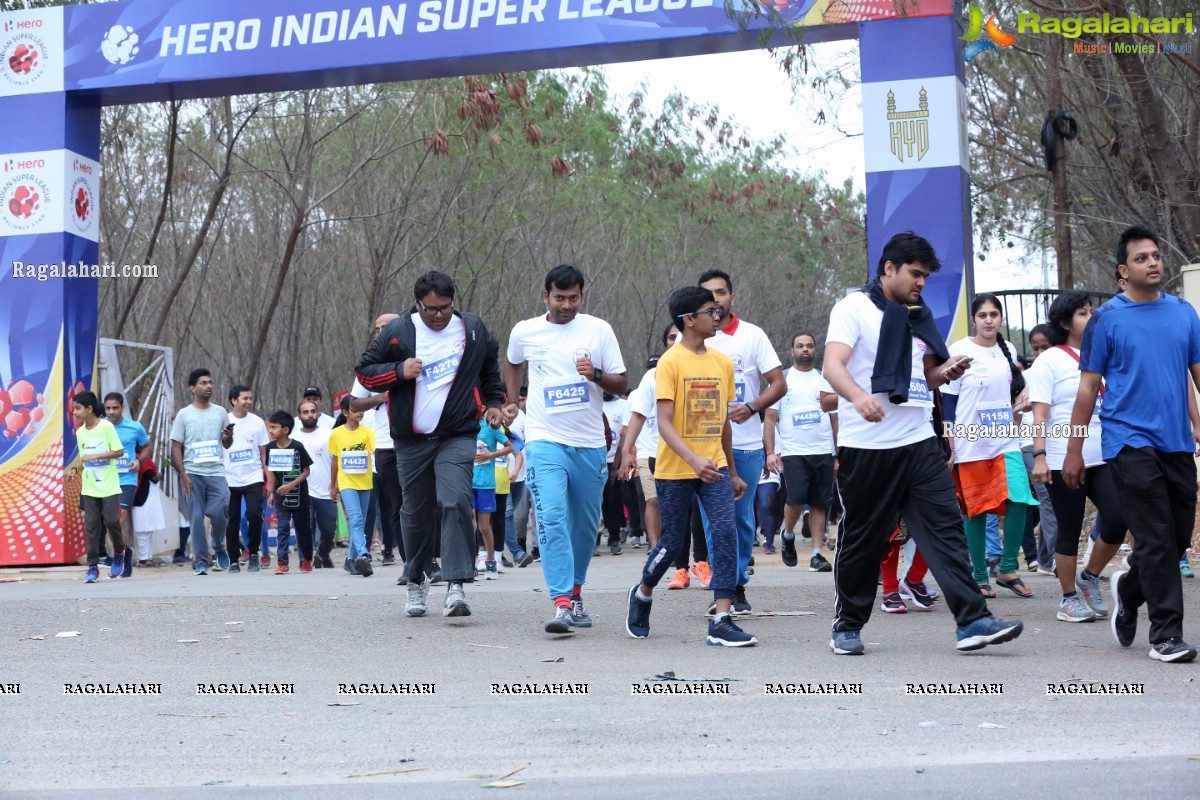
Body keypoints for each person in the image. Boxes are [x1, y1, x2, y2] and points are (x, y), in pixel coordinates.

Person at [822, 231, 1023, 655]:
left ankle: (973, 621)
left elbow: (923, 377)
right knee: (864, 539)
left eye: (926, 277)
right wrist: (858, 398)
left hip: (919, 441)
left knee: (945, 530)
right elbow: (833, 366)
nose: (921, 283)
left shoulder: (918, 314)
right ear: (889, 268)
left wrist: (946, 372)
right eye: (915, 274)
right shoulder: (853, 308)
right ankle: (848, 623)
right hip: (869, 449)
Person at [1065, 224, 1200, 663]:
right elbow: (1088, 389)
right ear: (1124, 270)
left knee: (1176, 536)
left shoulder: (1184, 313)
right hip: (1127, 441)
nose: (1154, 262)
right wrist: (1073, 449)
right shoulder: (1107, 320)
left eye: (1157, 255)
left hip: (1176, 441)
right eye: (1142, 258)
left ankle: (1129, 585)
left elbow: (1196, 374)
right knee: (1157, 535)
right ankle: (1166, 636)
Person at [356, 270, 506, 618]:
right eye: (431, 309)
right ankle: (416, 578)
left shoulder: (471, 328)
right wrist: (398, 371)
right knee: (415, 512)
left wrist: (495, 403)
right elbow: (365, 371)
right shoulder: (398, 332)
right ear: (418, 304)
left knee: (454, 501)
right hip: (411, 440)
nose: (438, 315)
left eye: (445, 308)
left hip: (457, 434)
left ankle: (455, 586)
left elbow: (490, 368)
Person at [625, 286, 756, 646]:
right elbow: (664, 422)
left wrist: (730, 470)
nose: (717, 317)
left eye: (718, 310)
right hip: (674, 469)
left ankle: (723, 617)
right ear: (689, 320)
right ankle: (643, 593)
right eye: (710, 312)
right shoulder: (670, 362)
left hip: (712, 468)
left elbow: (724, 422)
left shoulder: (721, 362)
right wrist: (693, 459)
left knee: (725, 535)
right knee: (670, 545)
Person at [503, 264, 627, 634]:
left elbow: (622, 384)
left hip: (589, 443)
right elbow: (512, 361)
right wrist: (513, 400)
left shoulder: (598, 330)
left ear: (582, 297)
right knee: (552, 516)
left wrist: (597, 376)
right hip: (543, 439)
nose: (567, 305)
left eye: (574, 298)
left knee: (585, 526)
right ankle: (561, 603)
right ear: (546, 296)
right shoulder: (526, 331)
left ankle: (576, 591)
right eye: (560, 298)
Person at [1026, 291, 1128, 622]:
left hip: (1104, 453)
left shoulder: (1103, 354)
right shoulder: (1049, 360)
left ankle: (1089, 576)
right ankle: (1068, 599)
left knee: (1119, 516)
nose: (1092, 316)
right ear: (1065, 323)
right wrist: (1040, 456)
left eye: (1092, 310)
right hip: (1061, 456)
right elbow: (1040, 414)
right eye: (1084, 313)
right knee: (1068, 528)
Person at [697, 269, 787, 614]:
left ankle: (737, 584)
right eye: (708, 294)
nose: (715, 300)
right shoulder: (689, 338)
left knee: (741, 520)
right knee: (712, 520)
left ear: (732, 298)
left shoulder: (752, 336)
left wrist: (752, 407)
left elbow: (779, 384)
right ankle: (724, 588)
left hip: (746, 445)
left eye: (721, 293)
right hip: (704, 447)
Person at [942, 293, 1039, 599]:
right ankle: (979, 574)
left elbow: (1016, 390)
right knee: (977, 510)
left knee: (1019, 499)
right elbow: (948, 400)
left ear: (1000, 318)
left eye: (993, 314)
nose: (988, 320)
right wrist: (949, 441)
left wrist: (1022, 404)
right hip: (970, 442)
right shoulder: (959, 350)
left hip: (1006, 441)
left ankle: (1008, 568)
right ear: (974, 319)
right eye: (982, 315)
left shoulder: (1006, 349)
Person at [764, 332, 838, 573]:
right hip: (793, 451)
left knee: (819, 502)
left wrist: (838, 454)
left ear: (815, 350)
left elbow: (835, 419)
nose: (805, 349)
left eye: (809, 346)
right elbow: (770, 418)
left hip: (823, 449)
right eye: (800, 346)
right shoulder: (782, 380)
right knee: (795, 498)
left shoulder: (825, 379)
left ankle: (817, 554)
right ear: (792, 351)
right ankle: (787, 534)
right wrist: (771, 452)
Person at [616, 323, 679, 558]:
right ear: (665, 344)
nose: (676, 340)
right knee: (651, 499)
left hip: (680, 451)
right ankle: (656, 548)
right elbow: (636, 418)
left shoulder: (690, 371)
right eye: (672, 337)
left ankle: (676, 547)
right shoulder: (649, 379)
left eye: (680, 336)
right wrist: (626, 454)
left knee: (674, 504)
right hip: (648, 451)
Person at [350, 313, 404, 570]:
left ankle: (432, 559)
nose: (382, 332)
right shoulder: (370, 366)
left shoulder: (416, 356)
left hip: (419, 441)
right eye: (378, 329)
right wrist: (380, 398)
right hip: (385, 446)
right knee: (394, 508)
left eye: (388, 327)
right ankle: (409, 563)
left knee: (422, 505)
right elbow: (352, 403)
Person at [170, 369, 235, 576]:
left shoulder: (220, 412)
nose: (209, 386)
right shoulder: (184, 414)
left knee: (221, 508)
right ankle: (200, 560)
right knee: (196, 517)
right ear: (192, 388)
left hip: (215, 472)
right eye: (203, 383)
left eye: (210, 382)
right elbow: (176, 446)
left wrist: (228, 437)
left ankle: (219, 546)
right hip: (193, 473)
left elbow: (227, 444)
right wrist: (183, 474)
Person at [75, 391, 129, 582]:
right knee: (91, 526)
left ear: (89, 409)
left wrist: (96, 457)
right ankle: (92, 567)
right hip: (89, 486)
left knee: (112, 521)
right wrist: (76, 470)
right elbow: (85, 458)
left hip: (109, 485)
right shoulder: (79, 432)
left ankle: (119, 552)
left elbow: (119, 451)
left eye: (78, 408)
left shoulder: (106, 427)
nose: (75, 412)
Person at [102, 392, 152, 578]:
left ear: (122, 408)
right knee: (111, 521)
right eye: (108, 408)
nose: (112, 411)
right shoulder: (100, 427)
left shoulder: (134, 427)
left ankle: (119, 557)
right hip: (106, 479)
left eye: (115, 408)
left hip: (127, 480)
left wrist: (139, 460)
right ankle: (124, 551)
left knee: (119, 519)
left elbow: (148, 446)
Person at [221, 384, 268, 573]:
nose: (249, 402)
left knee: (255, 515)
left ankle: (254, 553)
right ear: (234, 400)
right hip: (230, 478)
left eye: (250, 398)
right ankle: (233, 558)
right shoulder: (224, 421)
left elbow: (263, 453)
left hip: (253, 476)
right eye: (245, 398)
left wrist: (268, 477)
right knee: (232, 520)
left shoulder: (257, 422)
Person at [328, 395, 375, 578]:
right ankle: (364, 555)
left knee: (360, 521)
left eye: (362, 409)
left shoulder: (368, 433)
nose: (360, 413)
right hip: (346, 482)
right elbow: (334, 461)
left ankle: (350, 560)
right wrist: (333, 486)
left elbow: (373, 456)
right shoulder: (337, 434)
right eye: (355, 409)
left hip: (365, 482)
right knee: (355, 518)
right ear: (345, 412)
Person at [264, 411, 314, 574]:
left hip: (300, 496)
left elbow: (306, 471)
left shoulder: (297, 446)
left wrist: (291, 485)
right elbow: (270, 471)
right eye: (270, 427)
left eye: (274, 427)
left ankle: (305, 560)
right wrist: (271, 491)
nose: (270, 431)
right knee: (282, 527)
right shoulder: (270, 447)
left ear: (285, 430)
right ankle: (282, 562)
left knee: (303, 528)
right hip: (281, 497)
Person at [293, 400, 336, 569]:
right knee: (304, 528)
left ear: (318, 413)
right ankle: (305, 560)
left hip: (326, 490)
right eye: (306, 412)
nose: (310, 415)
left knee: (329, 530)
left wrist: (335, 485)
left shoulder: (328, 434)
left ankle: (323, 553)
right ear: (300, 415)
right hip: (303, 490)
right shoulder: (294, 438)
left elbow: (336, 461)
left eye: (313, 411)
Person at [473, 418, 512, 579]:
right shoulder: (463, 425)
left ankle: (491, 560)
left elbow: (511, 446)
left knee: (484, 526)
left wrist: (491, 454)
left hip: (486, 484)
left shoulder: (490, 427)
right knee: (469, 522)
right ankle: (470, 561)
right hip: (466, 482)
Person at [600, 391, 631, 555]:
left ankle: (614, 538)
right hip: (595, 459)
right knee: (595, 504)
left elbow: (624, 437)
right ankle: (593, 542)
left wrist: (618, 465)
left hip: (614, 460)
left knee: (613, 502)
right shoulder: (594, 401)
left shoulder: (624, 406)